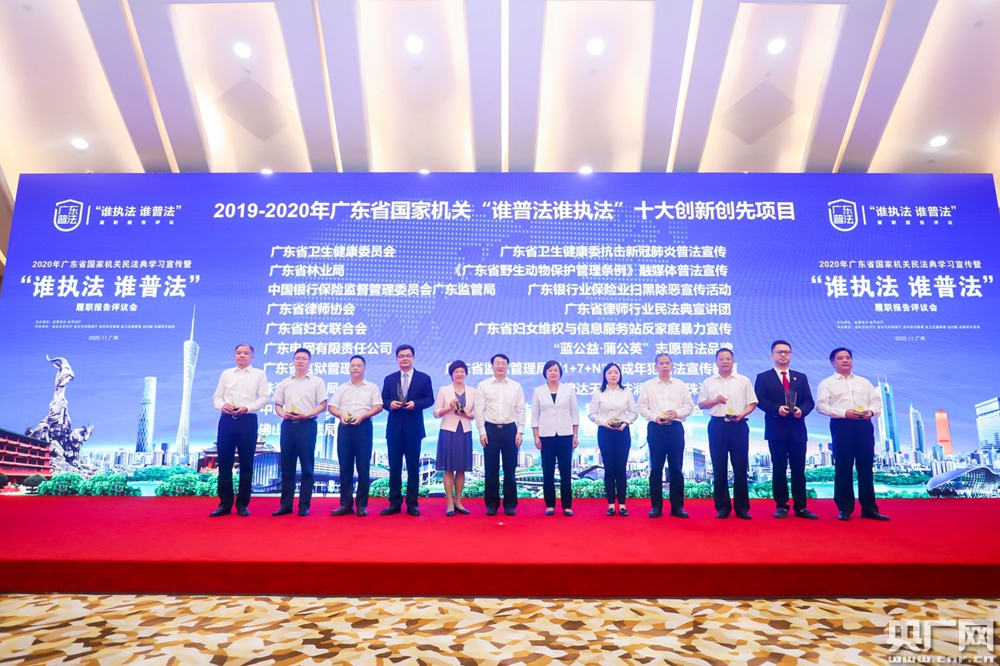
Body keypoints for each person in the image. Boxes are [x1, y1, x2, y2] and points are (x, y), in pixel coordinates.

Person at [816, 347, 889, 521]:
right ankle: (845, 509)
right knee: (843, 467)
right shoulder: (827, 383)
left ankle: (870, 509)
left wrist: (871, 412)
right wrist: (844, 413)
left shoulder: (864, 382)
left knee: (866, 468)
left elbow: (876, 401)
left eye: (848, 357)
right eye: (840, 358)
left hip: (864, 425)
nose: (845, 360)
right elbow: (821, 406)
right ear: (832, 363)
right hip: (841, 425)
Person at [754, 340, 817, 520]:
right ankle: (781, 506)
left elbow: (809, 401)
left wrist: (801, 411)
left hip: (797, 430)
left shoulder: (800, 377)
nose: (783, 355)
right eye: (779, 352)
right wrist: (776, 409)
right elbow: (759, 400)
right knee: (779, 470)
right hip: (776, 429)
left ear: (790, 355)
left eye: (786, 352)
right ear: (771, 355)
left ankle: (801, 507)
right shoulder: (763, 377)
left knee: (799, 470)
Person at [210, 343, 270, 517]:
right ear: (234, 356)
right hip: (227, 420)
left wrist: (247, 408)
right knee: (225, 464)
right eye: (239, 353)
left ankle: (243, 504)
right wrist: (222, 405)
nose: (242, 355)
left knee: (246, 465)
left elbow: (265, 398)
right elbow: (217, 396)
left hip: (247, 420)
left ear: (252, 357)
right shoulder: (226, 374)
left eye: (245, 353)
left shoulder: (259, 374)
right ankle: (224, 504)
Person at [698, 348, 758, 520]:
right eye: (721, 359)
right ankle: (722, 507)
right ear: (716, 362)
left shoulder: (743, 380)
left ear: (733, 361)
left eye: (728, 359)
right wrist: (715, 400)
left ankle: (742, 508)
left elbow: (752, 402)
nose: (725, 361)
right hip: (717, 426)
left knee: (740, 467)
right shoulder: (709, 382)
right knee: (719, 467)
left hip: (738, 425)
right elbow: (701, 404)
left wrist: (742, 415)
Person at [271, 348, 328, 517]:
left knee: (307, 468)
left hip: (307, 425)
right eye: (297, 358)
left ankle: (304, 505)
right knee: (287, 467)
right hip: (288, 425)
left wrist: (307, 414)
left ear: (310, 362)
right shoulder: (285, 382)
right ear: (293, 361)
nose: (300, 361)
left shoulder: (317, 381)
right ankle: (285, 505)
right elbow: (277, 405)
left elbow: (323, 405)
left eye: (304, 358)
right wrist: (283, 414)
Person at [636, 354, 694, 519]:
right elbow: (641, 406)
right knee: (656, 469)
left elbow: (689, 406)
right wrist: (655, 417)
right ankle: (656, 507)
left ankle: (677, 507)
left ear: (672, 365)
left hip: (675, 428)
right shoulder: (648, 385)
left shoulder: (680, 385)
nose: (665, 366)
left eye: (667, 363)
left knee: (676, 469)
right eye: (661, 363)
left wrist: (677, 413)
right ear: (656, 367)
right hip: (656, 429)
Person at [380, 344, 434, 516]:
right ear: (397, 359)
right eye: (401, 356)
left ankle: (412, 504)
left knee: (413, 468)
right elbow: (383, 399)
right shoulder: (389, 379)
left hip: (414, 429)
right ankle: (394, 503)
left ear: (413, 358)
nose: (405, 358)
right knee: (394, 468)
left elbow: (429, 399)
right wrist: (390, 404)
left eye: (408, 355)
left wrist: (415, 404)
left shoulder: (423, 378)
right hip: (394, 429)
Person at [328, 355, 383, 517]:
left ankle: (361, 505)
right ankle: (345, 504)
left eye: (359, 365)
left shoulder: (371, 387)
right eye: (352, 365)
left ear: (365, 368)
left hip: (363, 427)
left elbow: (378, 406)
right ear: (349, 368)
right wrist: (341, 415)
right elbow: (332, 406)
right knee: (345, 467)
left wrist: (363, 416)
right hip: (345, 427)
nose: (355, 368)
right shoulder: (342, 388)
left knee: (363, 467)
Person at [475, 353, 526, 516]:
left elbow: (521, 409)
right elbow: (478, 410)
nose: (500, 366)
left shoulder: (515, 386)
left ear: (507, 366)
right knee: (491, 469)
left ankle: (510, 505)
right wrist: (482, 431)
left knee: (510, 469)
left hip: (510, 429)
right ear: (492, 365)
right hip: (490, 429)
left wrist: (520, 431)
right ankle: (492, 504)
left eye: (503, 363)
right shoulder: (483, 385)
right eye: (497, 363)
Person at [531, 361, 580, 516]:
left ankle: (567, 506)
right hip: (546, 436)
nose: (553, 373)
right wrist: (536, 436)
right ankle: (550, 505)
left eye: (556, 370)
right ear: (545, 373)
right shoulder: (539, 391)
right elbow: (535, 415)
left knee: (566, 471)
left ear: (560, 373)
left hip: (565, 435)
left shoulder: (568, 390)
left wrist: (575, 434)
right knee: (548, 472)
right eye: (550, 370)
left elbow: (574, 413)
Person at [588, 362, 637, 516]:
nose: (613, 375)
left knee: (621, 469)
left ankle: (622, 505)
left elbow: (633, 413)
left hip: (622, 432)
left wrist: (626, 422)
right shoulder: (599, 392)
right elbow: (592, 414)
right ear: (605, 375)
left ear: (620, 374)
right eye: (609, 372)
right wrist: (603, 422)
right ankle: (610, 505)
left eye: (616, 372)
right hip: (605, 432)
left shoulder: (626, 391)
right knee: (609, 469)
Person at [433, 360, 477, 516]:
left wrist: (465, 414)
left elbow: (475, 414)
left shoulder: (473, 391)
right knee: (448, 468)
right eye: (456, 372)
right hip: (448, 431)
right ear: (451, 374)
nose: (459, 374)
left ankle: (458, 501)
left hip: (464, 431)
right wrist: (450, 407)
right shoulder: (444, 390)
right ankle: (450, 503)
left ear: (466, 373)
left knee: (461, 469)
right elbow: (436, 412)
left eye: (462, 371)